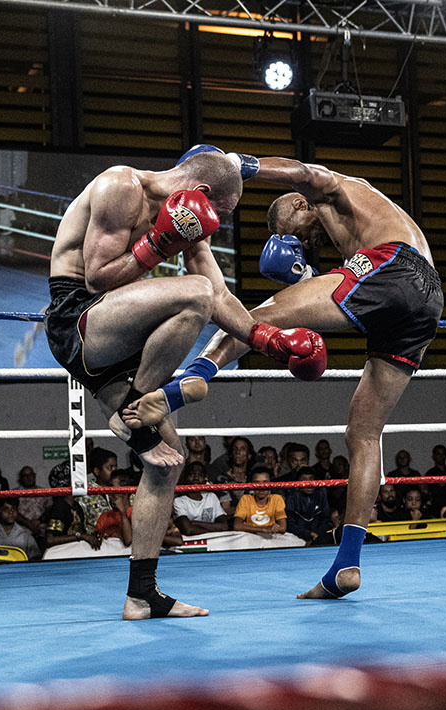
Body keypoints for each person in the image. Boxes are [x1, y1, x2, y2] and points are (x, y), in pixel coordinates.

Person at [43, 149, 326, 619]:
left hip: (122, 336)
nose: (218, 223)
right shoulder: (121, 185)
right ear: (205, 194)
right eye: (224, 211)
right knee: (191, 294)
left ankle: (142, 594)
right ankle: (135, 410)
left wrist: (268, 339)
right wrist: (157, 242)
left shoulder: (191, 222)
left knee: (166, 465)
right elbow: (95, 279)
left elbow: (220, 296)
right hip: (79, 319)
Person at [150, 151, 444, 600]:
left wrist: (239, 165)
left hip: (395, 267)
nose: (297, 243)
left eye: (290, 233)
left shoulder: (334, 189)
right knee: (363, 434)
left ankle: (189, 378)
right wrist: (309, 274)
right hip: (427, 298)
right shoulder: (356, 229)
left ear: (300, 206)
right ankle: (346, 565)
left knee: (261, 314)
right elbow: (341, 284)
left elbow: (307, 173)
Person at [172, 461, 231, 538]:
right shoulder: (179, 501)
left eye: (200, 475)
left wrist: (194, 523)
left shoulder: (211, 497)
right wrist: (214, 531)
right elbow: (188, 530)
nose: (196, 478)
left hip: (213, 542)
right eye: (192, 474)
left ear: (205, 479)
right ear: (185, 477)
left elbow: (224, 526)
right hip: (190, 543)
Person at [232, 466, 288, 537]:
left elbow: (283, 528)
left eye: (265, 482)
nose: (261, 487)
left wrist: (248, 527)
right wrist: (264, 529)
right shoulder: (245, 499)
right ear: (251, 485)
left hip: (270, 539)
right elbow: (237, 526)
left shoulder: (276, 499)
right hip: (250, 538)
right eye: (257, 483)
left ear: (271, 483)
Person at [285, 466, 333, 545]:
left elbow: (327, 519)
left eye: (311, 479)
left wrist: (317, 535)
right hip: (297, 537)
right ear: (298, 482)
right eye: (304, 480)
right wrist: (308, 534)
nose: (309, 483)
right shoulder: (292, 497)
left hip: (319, 536)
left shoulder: (321, 494)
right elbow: (289, 524)